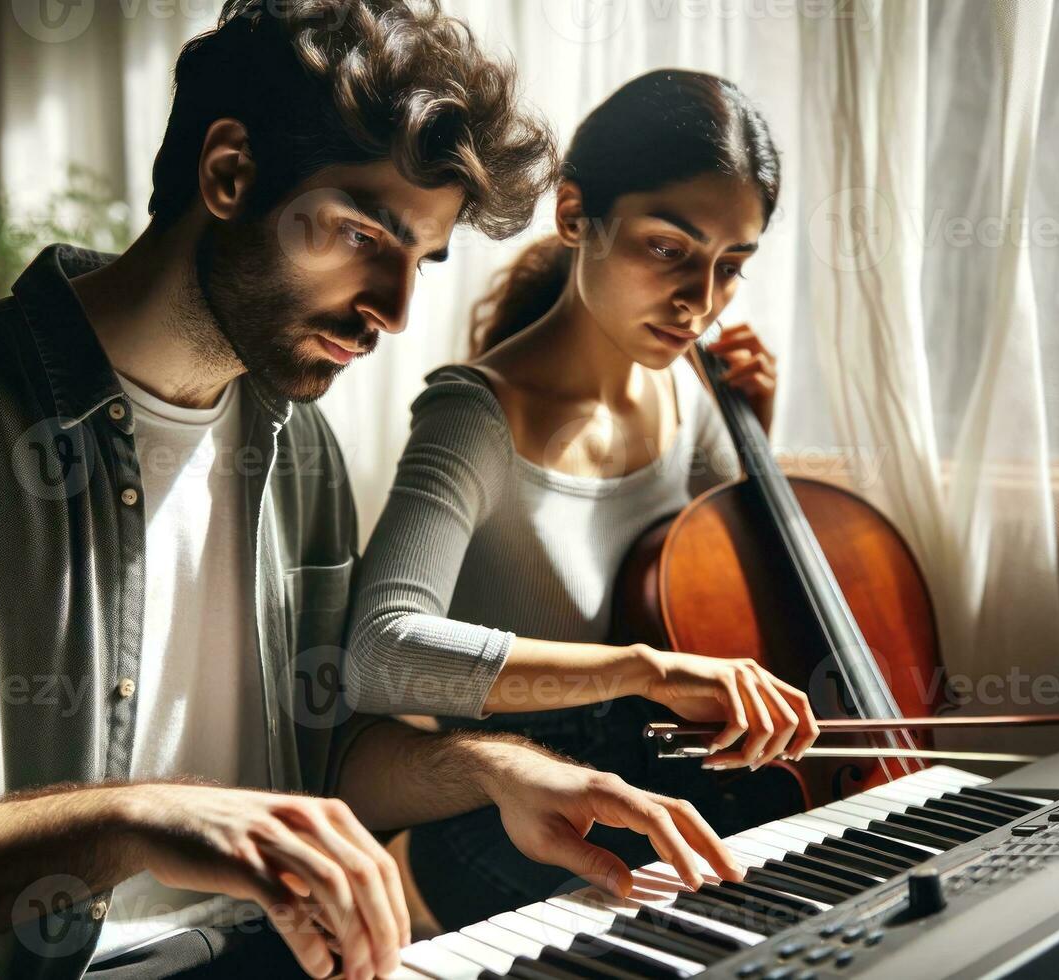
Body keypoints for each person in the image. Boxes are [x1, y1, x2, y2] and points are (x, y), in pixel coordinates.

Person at [0, 6, 747, 979]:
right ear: (231, 173)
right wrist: (141, 816)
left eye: (419, 259)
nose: (390, 306)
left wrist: (492, 772)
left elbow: (324, 755)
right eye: (362, 235)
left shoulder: (299, 450)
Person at [344, 68, 820, 928]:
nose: (700, 304)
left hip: (658, 794)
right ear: (574, 216)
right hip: (512, 822)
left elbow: (725, 600)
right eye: (668, 248)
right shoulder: (472, 415)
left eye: (730, 267)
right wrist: (645, 671)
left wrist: (757, 442)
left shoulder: (684, 396)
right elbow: (380, 653)